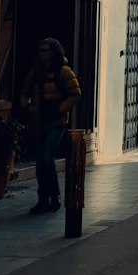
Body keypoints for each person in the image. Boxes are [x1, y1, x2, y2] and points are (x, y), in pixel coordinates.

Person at [20, 38, 81, 215]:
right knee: (41, 161)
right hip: (38, 122)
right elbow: (24, 92)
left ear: (53, 52)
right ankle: (43, 198)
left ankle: (54, 196)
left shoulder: (64, 71)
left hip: (56, 122)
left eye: (45, 50)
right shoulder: (35, 73)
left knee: (46, 157)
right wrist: (28, 108)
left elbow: (75, 94)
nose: (42, 54)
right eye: (40, 50)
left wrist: (59, 109)